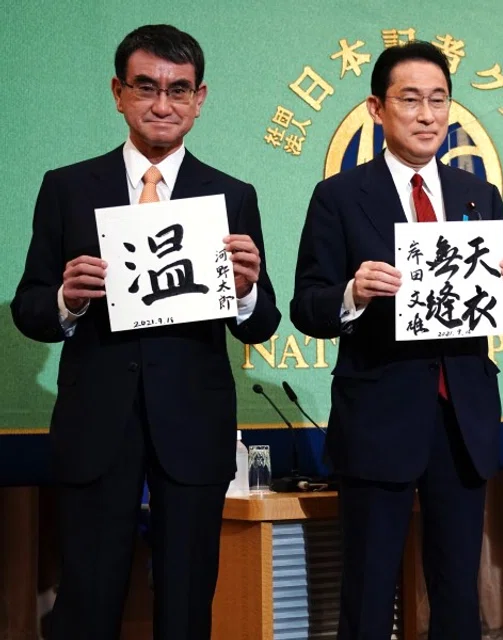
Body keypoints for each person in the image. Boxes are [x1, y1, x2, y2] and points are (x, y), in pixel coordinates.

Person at [10, 24, 281, 640]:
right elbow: (29, 309)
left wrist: (245, 293)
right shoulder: (68, 187)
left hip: (193, 427)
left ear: (200, 98)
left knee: (187, 603)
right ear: (118, 93)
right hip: (96, 424)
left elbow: (264, 322)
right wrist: (65, 301)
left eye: (179, 90)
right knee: (87, 601)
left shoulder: (233, 195)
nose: (163, 104)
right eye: (147, 87)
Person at [289, 41, 503, 640]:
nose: (428, 115)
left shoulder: (479, 195)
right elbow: (307, 305)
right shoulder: (340, 197)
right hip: (379, 413)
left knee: (457, 591)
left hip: (461, 417)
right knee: (370, 587)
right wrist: (353, 292)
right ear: (377, 108)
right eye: (410, 100)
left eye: (439, 100)